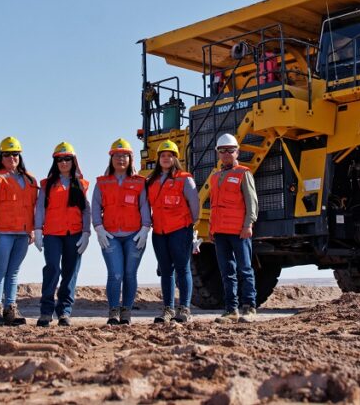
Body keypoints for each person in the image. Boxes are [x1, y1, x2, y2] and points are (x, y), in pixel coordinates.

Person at [0, 136, 38, 326]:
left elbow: (33, 206)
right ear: (1, 157)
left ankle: (10, 308)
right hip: (1, 233)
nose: (11, 158)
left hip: (23, 233)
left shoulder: (30, 179)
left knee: (13, 272)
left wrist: (32, 230)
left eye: (15, 154)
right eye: (7, 154)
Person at [92, 138, 150, 326]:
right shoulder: (102, 182)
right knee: (115, 274)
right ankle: (113, 311)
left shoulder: (139, 182)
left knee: (130, 274)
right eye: (117, 155)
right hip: (110, 236)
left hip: (134, 235)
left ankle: (126, 312)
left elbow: (145, 206)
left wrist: (145, 228)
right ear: (111, 158)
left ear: (130, 159)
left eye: (125, 155)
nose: (121, 159)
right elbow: (95, 206)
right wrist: (99, 228)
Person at [34, 141, 90, 327]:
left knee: (70, 272)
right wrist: (38, 229)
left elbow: (86, 210)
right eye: (60, 159)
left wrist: (86, 232)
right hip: (52, 234)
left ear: (73, 161)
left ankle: (65, 311)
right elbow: (40, 208)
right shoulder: (47, 184)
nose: (64, 163)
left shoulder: (81, 184)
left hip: (74, 234)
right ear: (55, 162)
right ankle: (46, 311)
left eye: (67, 159)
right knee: (52, 268)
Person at [145, 140, 200, 324]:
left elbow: (195, 206)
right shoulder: (151, 181)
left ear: (176, 158)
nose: (166, 158)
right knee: (166, 270)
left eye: (170, 155)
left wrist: (189, 226)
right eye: (163, 155)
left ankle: (184, 309)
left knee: (183, 268)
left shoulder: (185, 179)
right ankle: (168, 309)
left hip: (180, 230)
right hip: (159, 232)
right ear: (158, 158)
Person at [208, 133, 259, 323]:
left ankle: (249, 307)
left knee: (245, 269)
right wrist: (211, 229)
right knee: (227, 272)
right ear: (218, 153)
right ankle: (231, 310)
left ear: (237, 152)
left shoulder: (243, 173)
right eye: (222, 150)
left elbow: (252, 202)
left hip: (239, 231)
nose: (226, 153)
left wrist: (248, 224)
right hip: (220, 232)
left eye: (230, 150)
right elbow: (213, 205)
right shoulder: (215, 177)